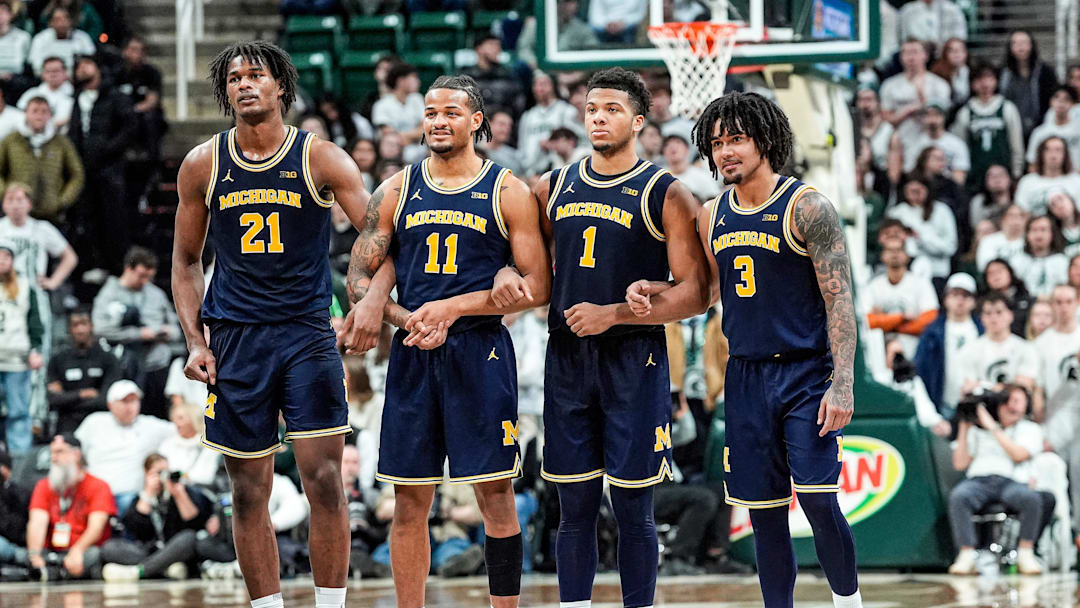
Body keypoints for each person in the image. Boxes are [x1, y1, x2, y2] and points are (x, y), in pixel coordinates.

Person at [171, 41, 371, 608]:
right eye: (233, 78)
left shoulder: (322, 158)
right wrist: (194, 340)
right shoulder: (203, 163)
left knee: (326, 482)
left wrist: (368, 303)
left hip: (307, 331)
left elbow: (381, 239)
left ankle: (331, 604)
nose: (243, 84)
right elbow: (185, 262)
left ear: (280, 85)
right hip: (234, 337)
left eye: (255, 75)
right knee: (247, 490)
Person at [341, 73, 551, 608]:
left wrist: (453, 308)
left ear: (476, 121)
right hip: (415, 354)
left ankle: (505, 605)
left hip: (479, 353)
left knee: (496, 494)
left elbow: (538, 285)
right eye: (431, 112)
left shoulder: (508, 190)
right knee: (409, 499)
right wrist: (405, 317)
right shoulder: (395, 189)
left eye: (451, 112)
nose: (438, 121)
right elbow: (359, 277)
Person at [510, 66, 708, 608]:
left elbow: (696, 294)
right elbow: (524, 265)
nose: (599, 117)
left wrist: (616, 313)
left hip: (634, 359)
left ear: (640, 121)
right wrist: (509, 275)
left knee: (632, 506)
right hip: (568, 359)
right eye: (593, 108)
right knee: (571, 506)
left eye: (613, 109)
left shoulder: (667, 194)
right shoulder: (552, 186)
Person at [681, 91, 863, 607]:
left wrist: (842, 382)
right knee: (761, 511)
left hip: (807, 375)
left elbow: (839, 302)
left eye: (736, 139)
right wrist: (652, 293)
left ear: (765, 140)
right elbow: (706, 294)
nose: (725, 152)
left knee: (818, 499)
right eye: (717, 144)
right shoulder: (711, 214)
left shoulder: (807, 208)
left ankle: (848, 602)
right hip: (744, 377)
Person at [948, 385, 1048, 575]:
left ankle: (1025, 554)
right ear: (999, 404)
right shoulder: (978, 430)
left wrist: (993, 427)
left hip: (1009, 481)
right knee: (959, 496)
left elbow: (1019, 455)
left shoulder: (1029, 428)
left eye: (1020, 402)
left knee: (1031, 499)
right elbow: (960, 464)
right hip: (978, 481)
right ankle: (966, 554)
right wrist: (964, 427)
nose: (1015, 407)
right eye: (1010, 402)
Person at [91, 246, 181, 420]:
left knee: (158, 416)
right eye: (141, 275)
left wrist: (166, 332)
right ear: (128, 269)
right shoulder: (109, 294)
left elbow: (177, 329)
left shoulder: (156, 294)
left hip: (156, 365)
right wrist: (139, 334)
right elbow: (100, 329)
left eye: (149, 276)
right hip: (124, 368)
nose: (145, 281)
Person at [68, 53, 137, 276]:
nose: (82, 70)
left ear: (98, 68)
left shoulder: (115, 96)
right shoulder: (77, 98)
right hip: (84, 167)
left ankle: (120, 266)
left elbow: (129, 127)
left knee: (114, 218)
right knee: (89, 217)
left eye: (87, 65)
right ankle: (97, 265)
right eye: (78, 66)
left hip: (110, 167)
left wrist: (107, 149)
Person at [99, 453, 213, 581]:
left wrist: (179, 494)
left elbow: (194, 522)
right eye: (158, 473)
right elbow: (134, 529)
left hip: (175, 549)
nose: (163, 477)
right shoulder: (140, 499)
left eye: (166, 472)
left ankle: (139, 571)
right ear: (147, 474)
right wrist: (148, 494)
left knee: (189, 537)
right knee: (110, 547)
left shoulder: (181, 491)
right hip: (151, 551)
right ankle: (163, 568)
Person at [74, 379, 175, 514]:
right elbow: (74, 451)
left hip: (130, 496)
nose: (130, 406)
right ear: (110, 404)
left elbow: (185, 430)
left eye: (134, 401)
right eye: (124, 401)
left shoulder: (151, 425)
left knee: (132, 506)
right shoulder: (95, 422)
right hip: (95, 493)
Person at [26, 434, 115, 580]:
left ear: (76, 454)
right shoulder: (44, 486)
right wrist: (35, 555)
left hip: (84, 549)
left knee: (96, 555)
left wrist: (77, 551)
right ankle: (50, 571)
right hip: (53, 551)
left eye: (60, 452)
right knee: (25, 555)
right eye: (52, 453)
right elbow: (37, 523)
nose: (53, 458)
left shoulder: (98, 486)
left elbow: (96, 528)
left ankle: (55, 573)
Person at [0, 95, 84, 224]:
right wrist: (7, 196)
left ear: (50, 115)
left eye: (44, 111)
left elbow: (77, 174)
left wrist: (62, 201)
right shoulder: (11, 140)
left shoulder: (61, 142)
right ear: (26, 113)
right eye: (35, 111)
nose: (39, 115)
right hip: (17, 213)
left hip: (51, 213)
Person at [914, 272, 983, 417]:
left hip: (978, 405)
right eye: (955, 294)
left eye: (965, 295)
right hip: (943, 406)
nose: (960, 300)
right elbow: (920, 370)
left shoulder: (983, 330)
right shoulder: (931, 333)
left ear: (974, 301)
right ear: (945, 299)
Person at [46, 309, 121, 435]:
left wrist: (69, 399)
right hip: (68, 422)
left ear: (91, 326)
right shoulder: (58, 359)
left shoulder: (108, 359)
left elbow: (107, 398)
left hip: (99, 419)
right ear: (69, 328)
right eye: (75, 325)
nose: (80, 330)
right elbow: (53, 399)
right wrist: (82, 394)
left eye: (84, 324)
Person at [950, 64, 1024, 187]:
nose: (985, 84)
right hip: (975, 176)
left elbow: (1016, 145)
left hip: (1003, 175)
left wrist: (1016, 173)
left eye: (989, 78)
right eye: (979, 79)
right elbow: (960, 147)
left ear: (996, 81)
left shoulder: (1007, 108)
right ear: (973, 83)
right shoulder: (966, 112)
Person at [0, 238, 42, 454]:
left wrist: (36, 351)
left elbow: (35, 323)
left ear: (12, 260)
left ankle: (19, 459)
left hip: (16, 359)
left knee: (18, 411)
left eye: (6, 256)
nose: (1, 260)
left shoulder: (25, 287)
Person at [865, 237, 940, 358]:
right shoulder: (873, 286)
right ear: (882, 256)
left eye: (899, 250)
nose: (895, 254)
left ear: (907, 255)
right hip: (879, 354)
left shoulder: (921, 284)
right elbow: (866, 322)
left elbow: (930, 320)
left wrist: (884, 323)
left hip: (915, 352)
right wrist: (901, 318)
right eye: (890, 250)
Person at [879, 39, 951, 162]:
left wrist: (923, 101)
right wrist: (910, 109)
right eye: (906, 53)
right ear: (901, 57)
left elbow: (943, 117)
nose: (911, 58)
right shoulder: (889, 85)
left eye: (915, 52)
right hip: (899, 143)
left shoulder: (939, 84)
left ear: (925, 55)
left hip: (931, 142)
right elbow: (886, 119)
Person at [959, 292, 1039, 402]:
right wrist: (1006, 387)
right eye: (988, 313)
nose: (994, 318)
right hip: (981, 410)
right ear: (981, 318)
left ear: (1011, 315)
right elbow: (968, 389)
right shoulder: (970, 350)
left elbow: (1024, 386)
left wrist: (982, 385)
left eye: (999, 312)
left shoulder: (1025, 349)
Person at [885, 174, 958, 287]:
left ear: (927, 190)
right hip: (905, 273)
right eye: (911, 190)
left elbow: (950, 247)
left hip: (937, 273)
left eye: (919, 189)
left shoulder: (942, 210)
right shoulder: (897, 213)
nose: (915, 193)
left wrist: (921, 238)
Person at [1000, 30, 1058, 139]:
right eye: (1015, 43)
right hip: (1010, 128)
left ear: (1032, 45)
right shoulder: (1003, 74)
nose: (1020, 47)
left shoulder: (1045, 72)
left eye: (1024, 42)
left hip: (1040, 127)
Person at [517, 71, 577, 176]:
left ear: (553, 86)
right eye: (536, 84)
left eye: (544, 84)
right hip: (531, 171)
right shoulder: (527, 116)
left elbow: (572, 141)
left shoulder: (566, 110)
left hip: (559, 167)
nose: (540, 88)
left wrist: (551, 144)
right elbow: (522, 147)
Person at [158, 399, 221, 487]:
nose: (176, 423)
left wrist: (182, 476)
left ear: (193, 419)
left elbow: (206, 477)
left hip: (198, 493)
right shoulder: (167, 444)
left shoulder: (209, 445)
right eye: (174, 418)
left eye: (180, 418)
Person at [461, 34, 525, 119]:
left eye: (498, 45)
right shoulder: (466, 78)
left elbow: (518, 106)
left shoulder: (508, 76)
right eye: (491, 45)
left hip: (502, 126)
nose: (497, 49)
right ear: (478, 49)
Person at [1010, 214, 1069, 296]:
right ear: (1027, 235)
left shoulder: (1062, 261)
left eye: (1043, 230)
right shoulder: (1017, 260)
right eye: (1034, 230)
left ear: (1052, 234)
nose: (1039, 235)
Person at [26, 7, 93, 77]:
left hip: (78, 80)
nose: (62, 23)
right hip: (48, 80)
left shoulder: (83, 38)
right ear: (50, 22)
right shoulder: (40, 39)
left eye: (65, 18)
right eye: (57, 19)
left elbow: (90, 63)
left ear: (71, 21)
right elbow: (35, 65)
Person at [1025, 86, 1080, 171]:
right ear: (1051, 101)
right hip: (1047, 181)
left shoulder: (1078, 130)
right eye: (1057, 98)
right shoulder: (1039, 133)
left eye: (1066, 99)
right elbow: (1032, 164)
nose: (1061, 103)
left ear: (1073, 104)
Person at [16, 56, 73, 128]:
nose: (52, 75)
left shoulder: (75, 94)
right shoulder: (31, 93)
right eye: (48, 71)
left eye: (56, 71)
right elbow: (20, 115)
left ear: (65, 73)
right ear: (43, 74)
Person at [662, 134, 720, 203]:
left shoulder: (701, 175)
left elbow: (716, 200)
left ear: (687, 150)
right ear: (663, 153)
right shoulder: (661, 178)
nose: (672, 147)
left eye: (677, 142)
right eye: (667, 145)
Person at [898, 0, 967, 50]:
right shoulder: (907, 11)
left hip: (944, 57)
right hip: (917, 56)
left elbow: (960, 38)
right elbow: (903, 40)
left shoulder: (953, 10)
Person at [968, 165, 1014, 230]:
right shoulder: (979, 202)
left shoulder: (1018, 199)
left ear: (1009, 179)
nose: (997, 180)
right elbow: (977, 227)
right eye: (992, 177)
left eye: (1001, 175)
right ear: (986, 181)